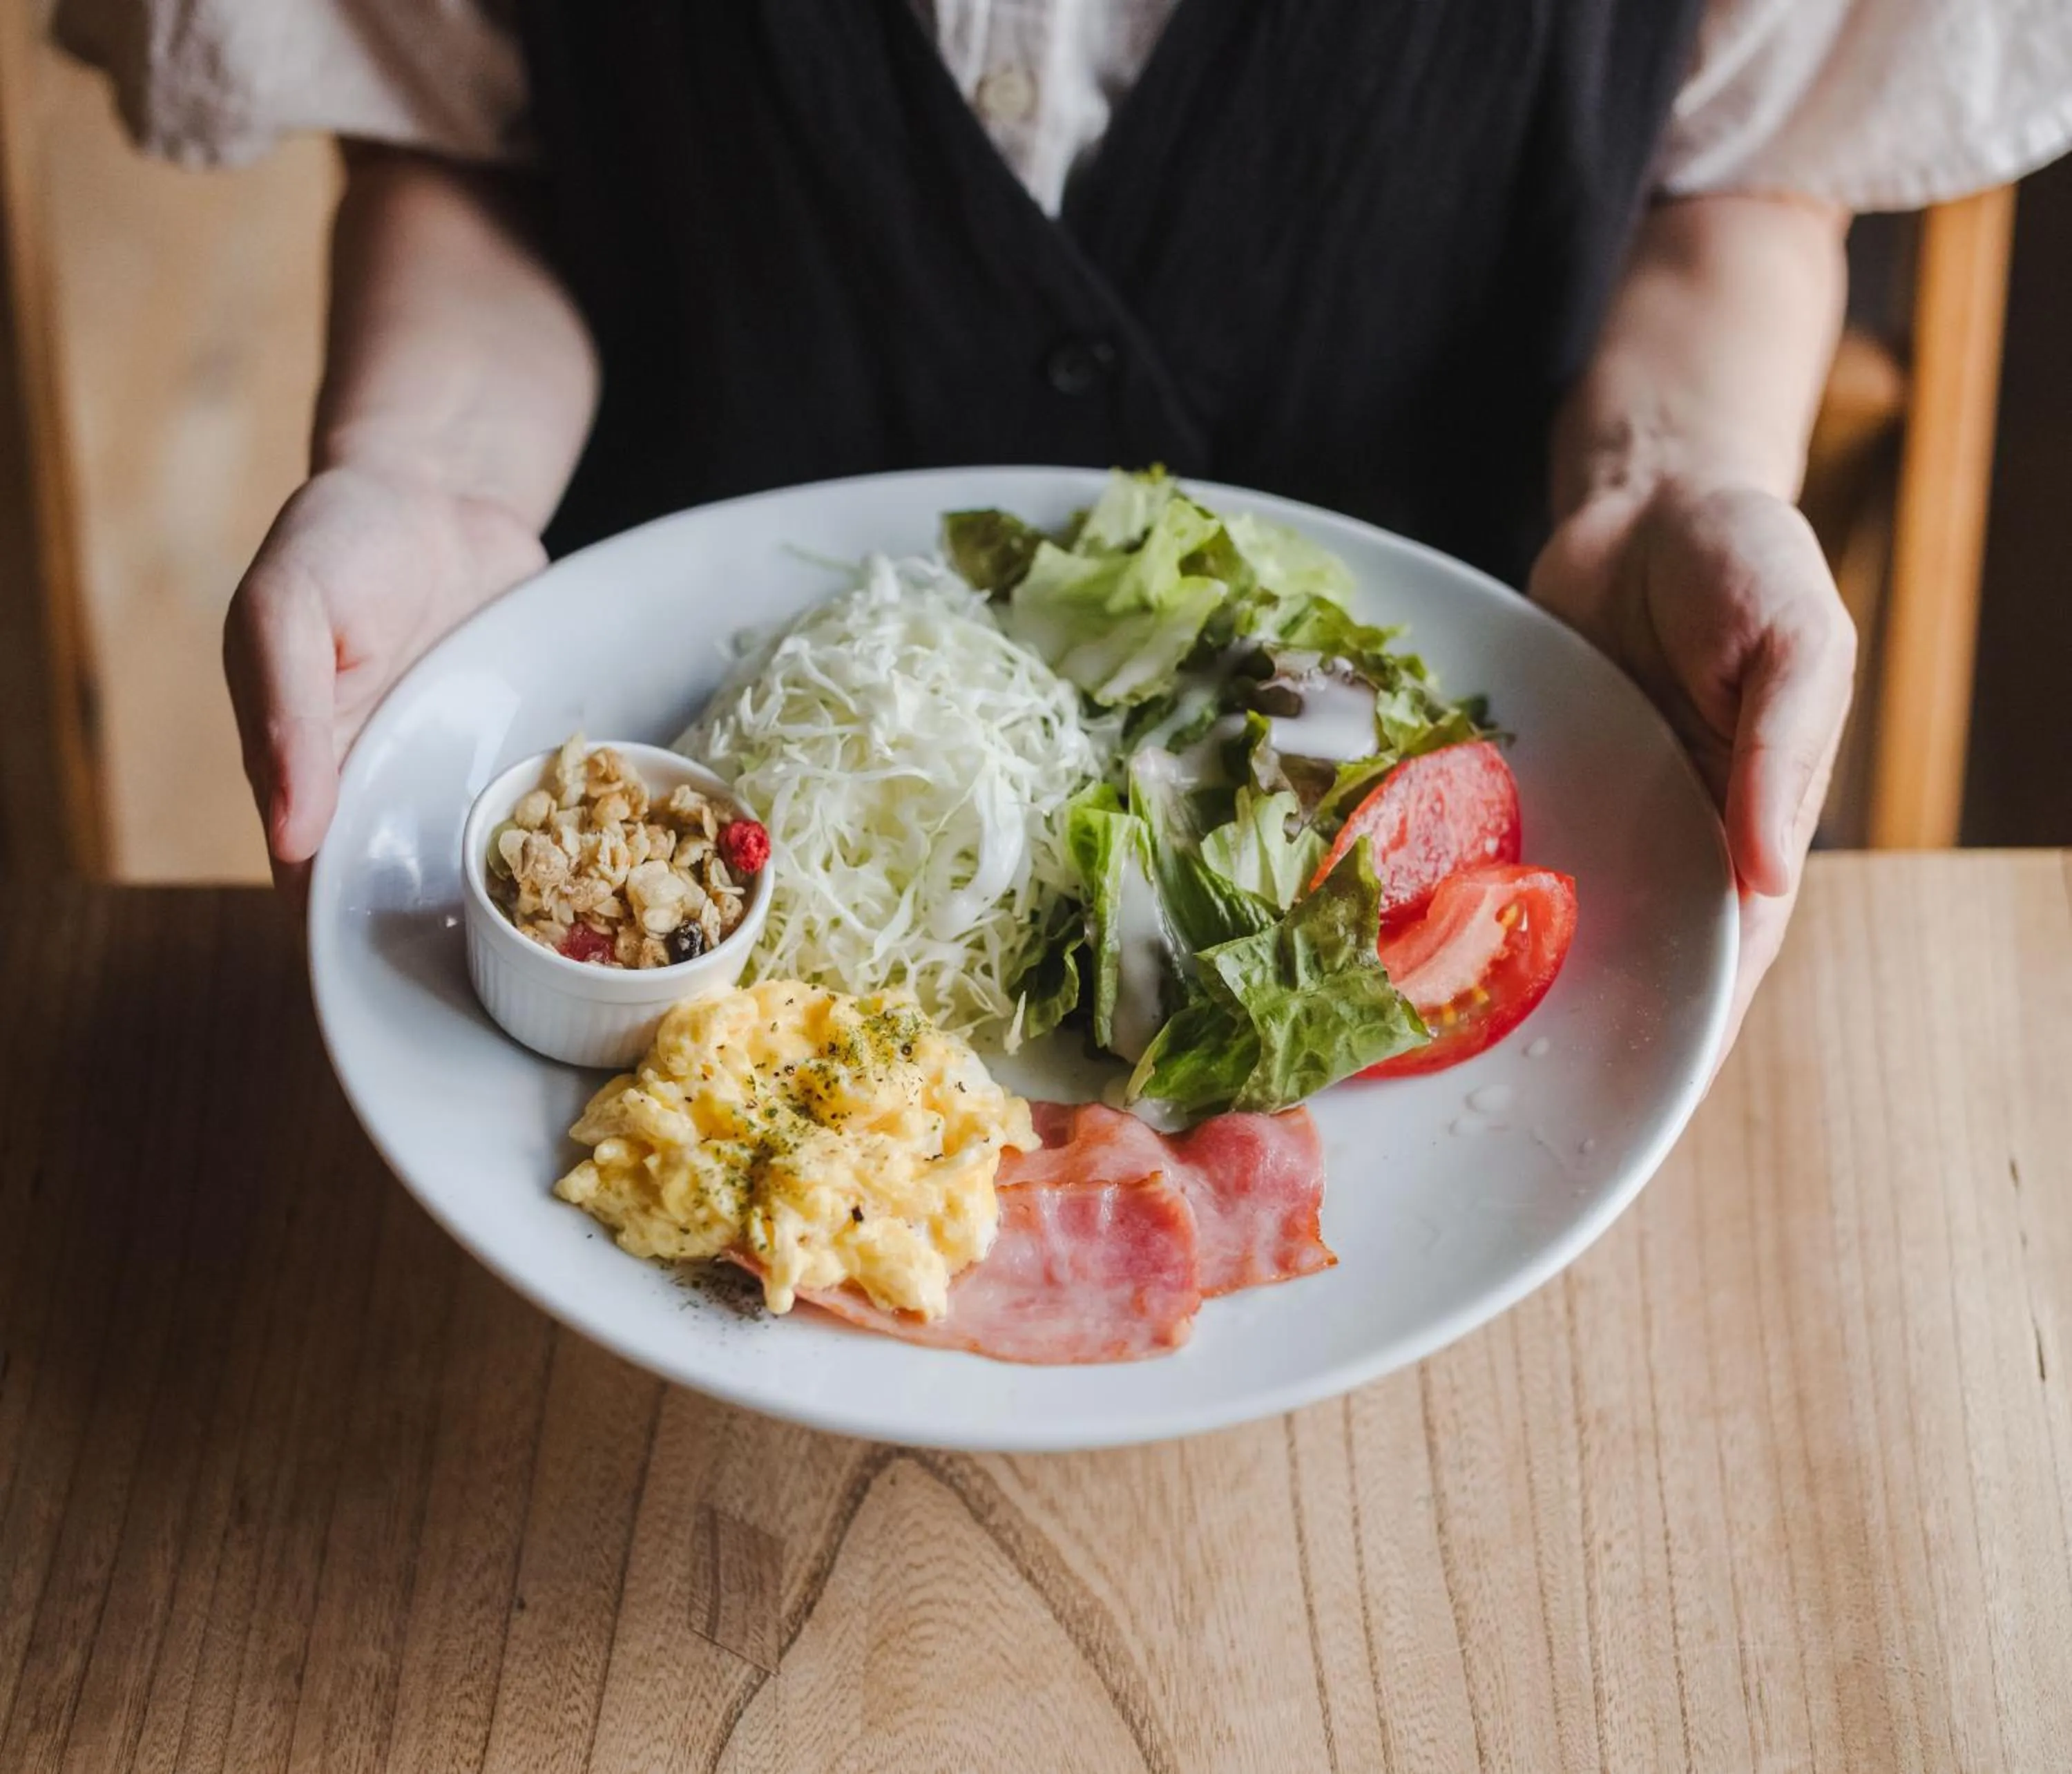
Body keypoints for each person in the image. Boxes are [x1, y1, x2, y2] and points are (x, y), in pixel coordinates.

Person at [59, 0, 2072, 1048]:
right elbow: (465, 144)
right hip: (685, 742)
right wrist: (426, 473)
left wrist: (1664, 484)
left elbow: (1737, 176)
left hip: (1421, 781)